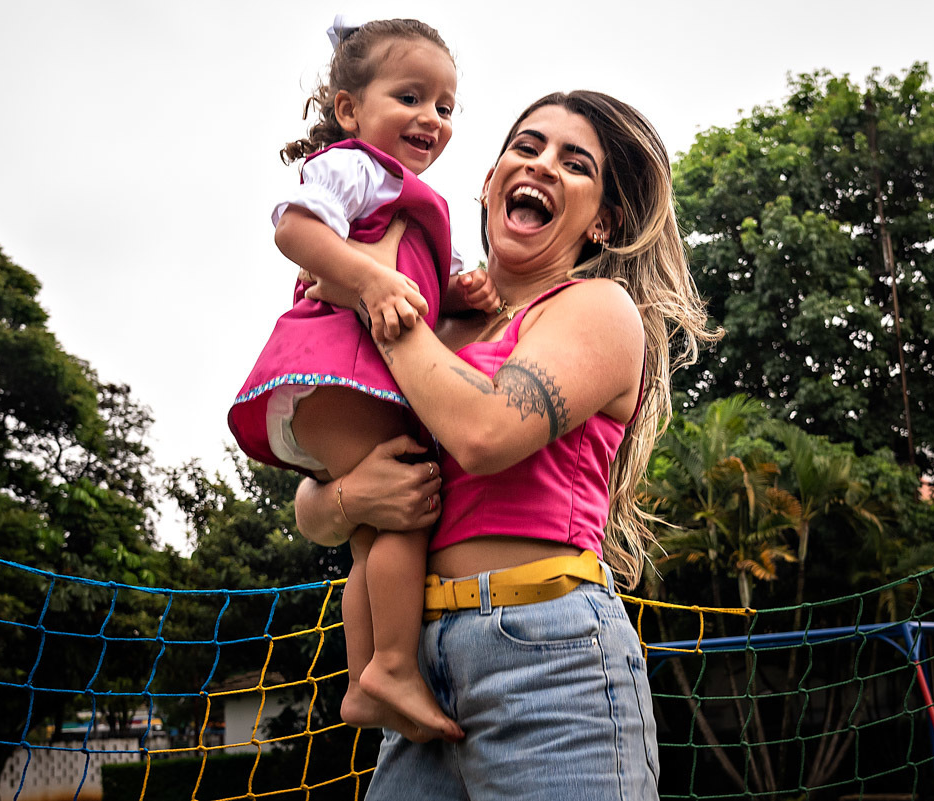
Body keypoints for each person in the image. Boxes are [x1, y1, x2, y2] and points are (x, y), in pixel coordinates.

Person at [294, 90, 720, 800]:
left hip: (548, 651)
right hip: (414, 666)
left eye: (574, 162)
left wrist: (373, 295)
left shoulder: (595, 310)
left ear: (605, 222)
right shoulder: (437, 325)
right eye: (526, 147)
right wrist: (349, 496)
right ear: (491, 183)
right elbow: (313, 504)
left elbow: (487, 432)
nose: (543, 164)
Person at [227, 17, 499, 743]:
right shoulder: (357, 167)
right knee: (409, 504)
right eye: (409, 95)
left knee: (374, 538)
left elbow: (411, 298)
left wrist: (454, 293)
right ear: (350, 109)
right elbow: (293, 228)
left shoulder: (405, 200)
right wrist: (367, 279)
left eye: (445, 106)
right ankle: (390, 664)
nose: (430, 117)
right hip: (333, 375)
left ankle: (365, 681)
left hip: (332, 390)